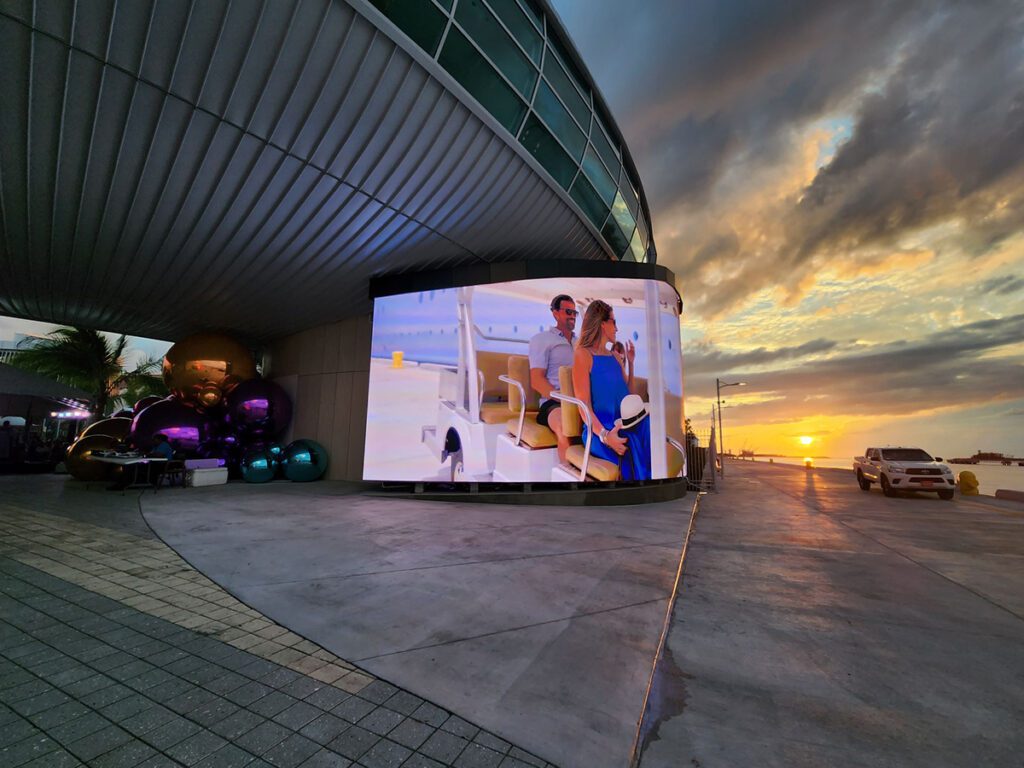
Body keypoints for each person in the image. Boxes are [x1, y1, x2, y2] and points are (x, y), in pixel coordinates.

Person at [572, 300, 651, 480]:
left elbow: (628, 396)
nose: (616, 328)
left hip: (625, 424)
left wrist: (630, 363)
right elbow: (583, 407)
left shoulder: (615, 357)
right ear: (602, 323)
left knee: (649, 428)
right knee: (631, 444)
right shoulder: (583, 355)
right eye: (614, 322)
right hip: (600, 431)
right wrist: (606, 436)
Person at [528, 294, 577, 464]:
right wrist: (563, 398)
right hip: (553, 403)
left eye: (575, 313)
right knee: (566, 429)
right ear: (555, 313)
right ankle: (567, 479)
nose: (572, 315)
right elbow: (536, 380)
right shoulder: (542, 340)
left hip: (580, 401)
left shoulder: (581, 344)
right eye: (568, 311)